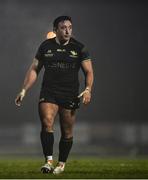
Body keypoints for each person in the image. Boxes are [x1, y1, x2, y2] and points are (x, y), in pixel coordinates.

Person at [15, 16, 94, 175]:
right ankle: (48, 161)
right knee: (47, 122)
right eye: (63, 27)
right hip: (49, 91)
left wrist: (88, 89)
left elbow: (89, 71)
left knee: (67, 132)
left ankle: (61, 163)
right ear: (55, 30)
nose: (67, 30)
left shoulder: (79, 48)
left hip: (70, 93)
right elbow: (34, 69)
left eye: (70, 27)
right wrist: (24, 90)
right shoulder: (45, 46)